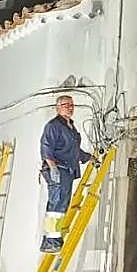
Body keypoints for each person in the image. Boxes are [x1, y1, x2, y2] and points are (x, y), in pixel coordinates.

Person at [39, 95, 96, 253]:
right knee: (56, 204)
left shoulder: (71, 127)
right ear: (58, 108)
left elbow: (75, 151)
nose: (70, 108)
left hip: (67, 170)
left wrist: (90, 158)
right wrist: (52, 167)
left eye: (72, 105)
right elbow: (46, 147)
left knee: (63, 203)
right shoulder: (53, 126)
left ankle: (54, 238)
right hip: (58, 169)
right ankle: (50, 240)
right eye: (66, 105)